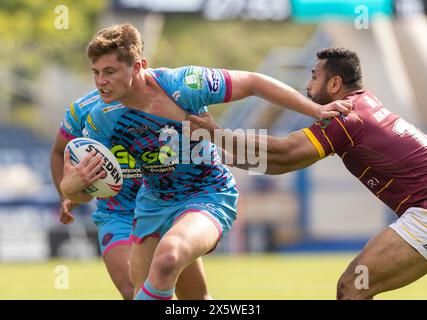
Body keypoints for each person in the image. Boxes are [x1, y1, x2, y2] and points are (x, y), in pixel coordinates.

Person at [61, 23, 350, 300]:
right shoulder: (102, 117)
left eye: (109, 71)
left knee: (168, 257)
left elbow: (253, 82)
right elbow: (83, 187)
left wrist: (315, 109)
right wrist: (71, 188)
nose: (100, 81)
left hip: (207, 192)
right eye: (96, 72)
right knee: (168, 294)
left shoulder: (184, 84)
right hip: (153, 202)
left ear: (138, 66)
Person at [187, 47, 427, 299]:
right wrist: (227, 158)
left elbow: (285, 151)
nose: (308, 83)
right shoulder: (364, 101)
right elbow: (286, 164)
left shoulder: (345, 118)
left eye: (314, 76)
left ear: (335, 83)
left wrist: (215, 133)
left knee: (354, 285)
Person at [51, 90, 212, 300]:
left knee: (196, 297)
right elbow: (58, 151)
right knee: (133, 289)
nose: (103, 79)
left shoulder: (169, 96)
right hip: (119, 213)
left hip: (168, 207)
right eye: (98, 70)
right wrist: (65, 193)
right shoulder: (82, 110)